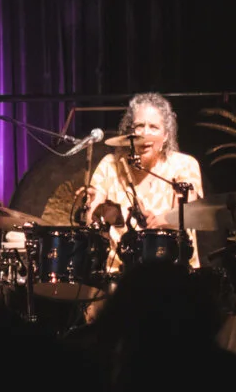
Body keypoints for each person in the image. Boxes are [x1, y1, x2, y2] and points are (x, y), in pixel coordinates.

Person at [80, 92, 204, 271]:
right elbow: (91, 219)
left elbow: (191, 213)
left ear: (166, 135)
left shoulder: (184, 164)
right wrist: (90, 207)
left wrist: (161, 220)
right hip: (119, 275)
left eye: (154, 127)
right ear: (129, 132)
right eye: (139, 126)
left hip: (174, 272)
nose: (145, 134)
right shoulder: (110, 165)